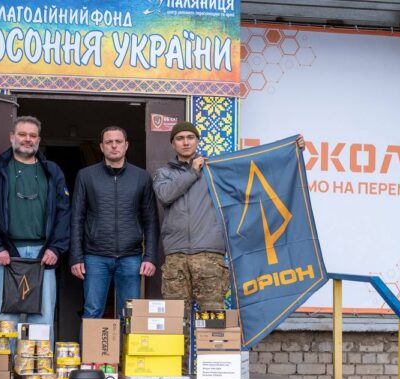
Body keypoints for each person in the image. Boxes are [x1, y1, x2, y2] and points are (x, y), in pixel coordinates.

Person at [153, 121, 304, 311]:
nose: (186, 142)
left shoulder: (215, 170)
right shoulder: (164, 173)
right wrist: (193, 171)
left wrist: (291, 150)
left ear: (197, 141)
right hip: (176, 254)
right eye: (180, 138)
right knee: (175, 319)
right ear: (173, 144)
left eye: (190, 137)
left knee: (212, 317)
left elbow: (256, 169)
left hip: (209, 254)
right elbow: (165, 195)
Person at [0, 116, 70, 339]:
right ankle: (8, 363)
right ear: (12, 136)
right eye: (22, 134)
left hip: (43, 255)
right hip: (6, 255)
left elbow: (64, 212)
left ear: (38, 140)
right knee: (6, 321)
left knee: (43, 320)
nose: (27, 139)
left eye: (32, 135)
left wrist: (55, 248)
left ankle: (37, 363)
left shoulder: (52, 171)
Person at [70, 126, 158, 318]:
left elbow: (150, 220)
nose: (114, 146)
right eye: (109, 142)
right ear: (102, 147)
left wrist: (150, 256)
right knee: (92, 311)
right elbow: (77, 218)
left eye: (118, 141)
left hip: (131, 256)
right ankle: (92, 342)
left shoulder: (141, 177)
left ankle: (125, 341)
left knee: (130, 314)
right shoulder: (86, 176)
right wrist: (76, 257)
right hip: (95, 256)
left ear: (126, 145)